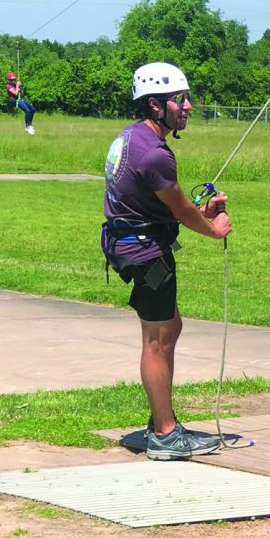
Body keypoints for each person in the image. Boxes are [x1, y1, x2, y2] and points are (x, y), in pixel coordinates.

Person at [101, 62, 232, 462]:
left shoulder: (131, 137)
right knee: (157, 340)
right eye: (180, 99)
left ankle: (161, 420)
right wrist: (214, 226)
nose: (188, 106)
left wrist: (199, 209)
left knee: (169, 327)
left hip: (131, 244)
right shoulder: (156, 154)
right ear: (156, 105)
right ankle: (164, 434)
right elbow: (179, 210)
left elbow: (167, 203)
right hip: (146, 251)